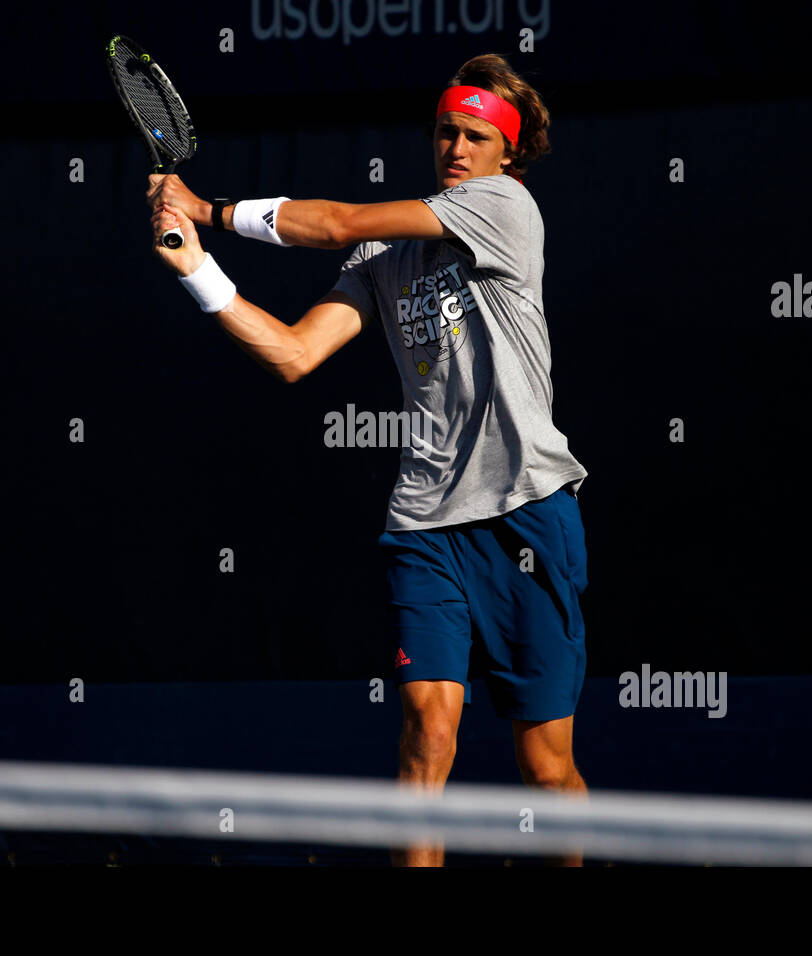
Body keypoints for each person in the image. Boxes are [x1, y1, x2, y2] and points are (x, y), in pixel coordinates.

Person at [147, 53, 589, 867]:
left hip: (528, 512)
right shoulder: (382, 261)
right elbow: (291, 355)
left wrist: (208, 210)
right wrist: (197, 270)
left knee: (545, 764)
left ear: (507, 153)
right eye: (445, 131)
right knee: (427, 734)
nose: (455, 147)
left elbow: (341, 221)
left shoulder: (505, 208)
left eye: (474, 135)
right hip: (425, 525)